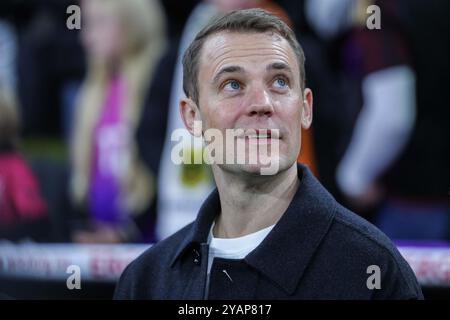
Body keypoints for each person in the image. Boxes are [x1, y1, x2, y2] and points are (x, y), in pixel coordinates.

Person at [114, 9, 422, 299]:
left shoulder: (374, 272)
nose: (262, 102)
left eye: (279, 82)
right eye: (233, 84)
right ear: (192, 117)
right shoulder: (145, 282)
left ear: (305, 109)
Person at [69, 0, 166, 243]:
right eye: (86, 24)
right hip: (102, 242)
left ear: (132, 23)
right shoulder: (94, 89)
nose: (87, 38)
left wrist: (126, 233)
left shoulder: (159, 82)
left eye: (99, 23)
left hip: (151, 243)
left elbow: (164, 168)